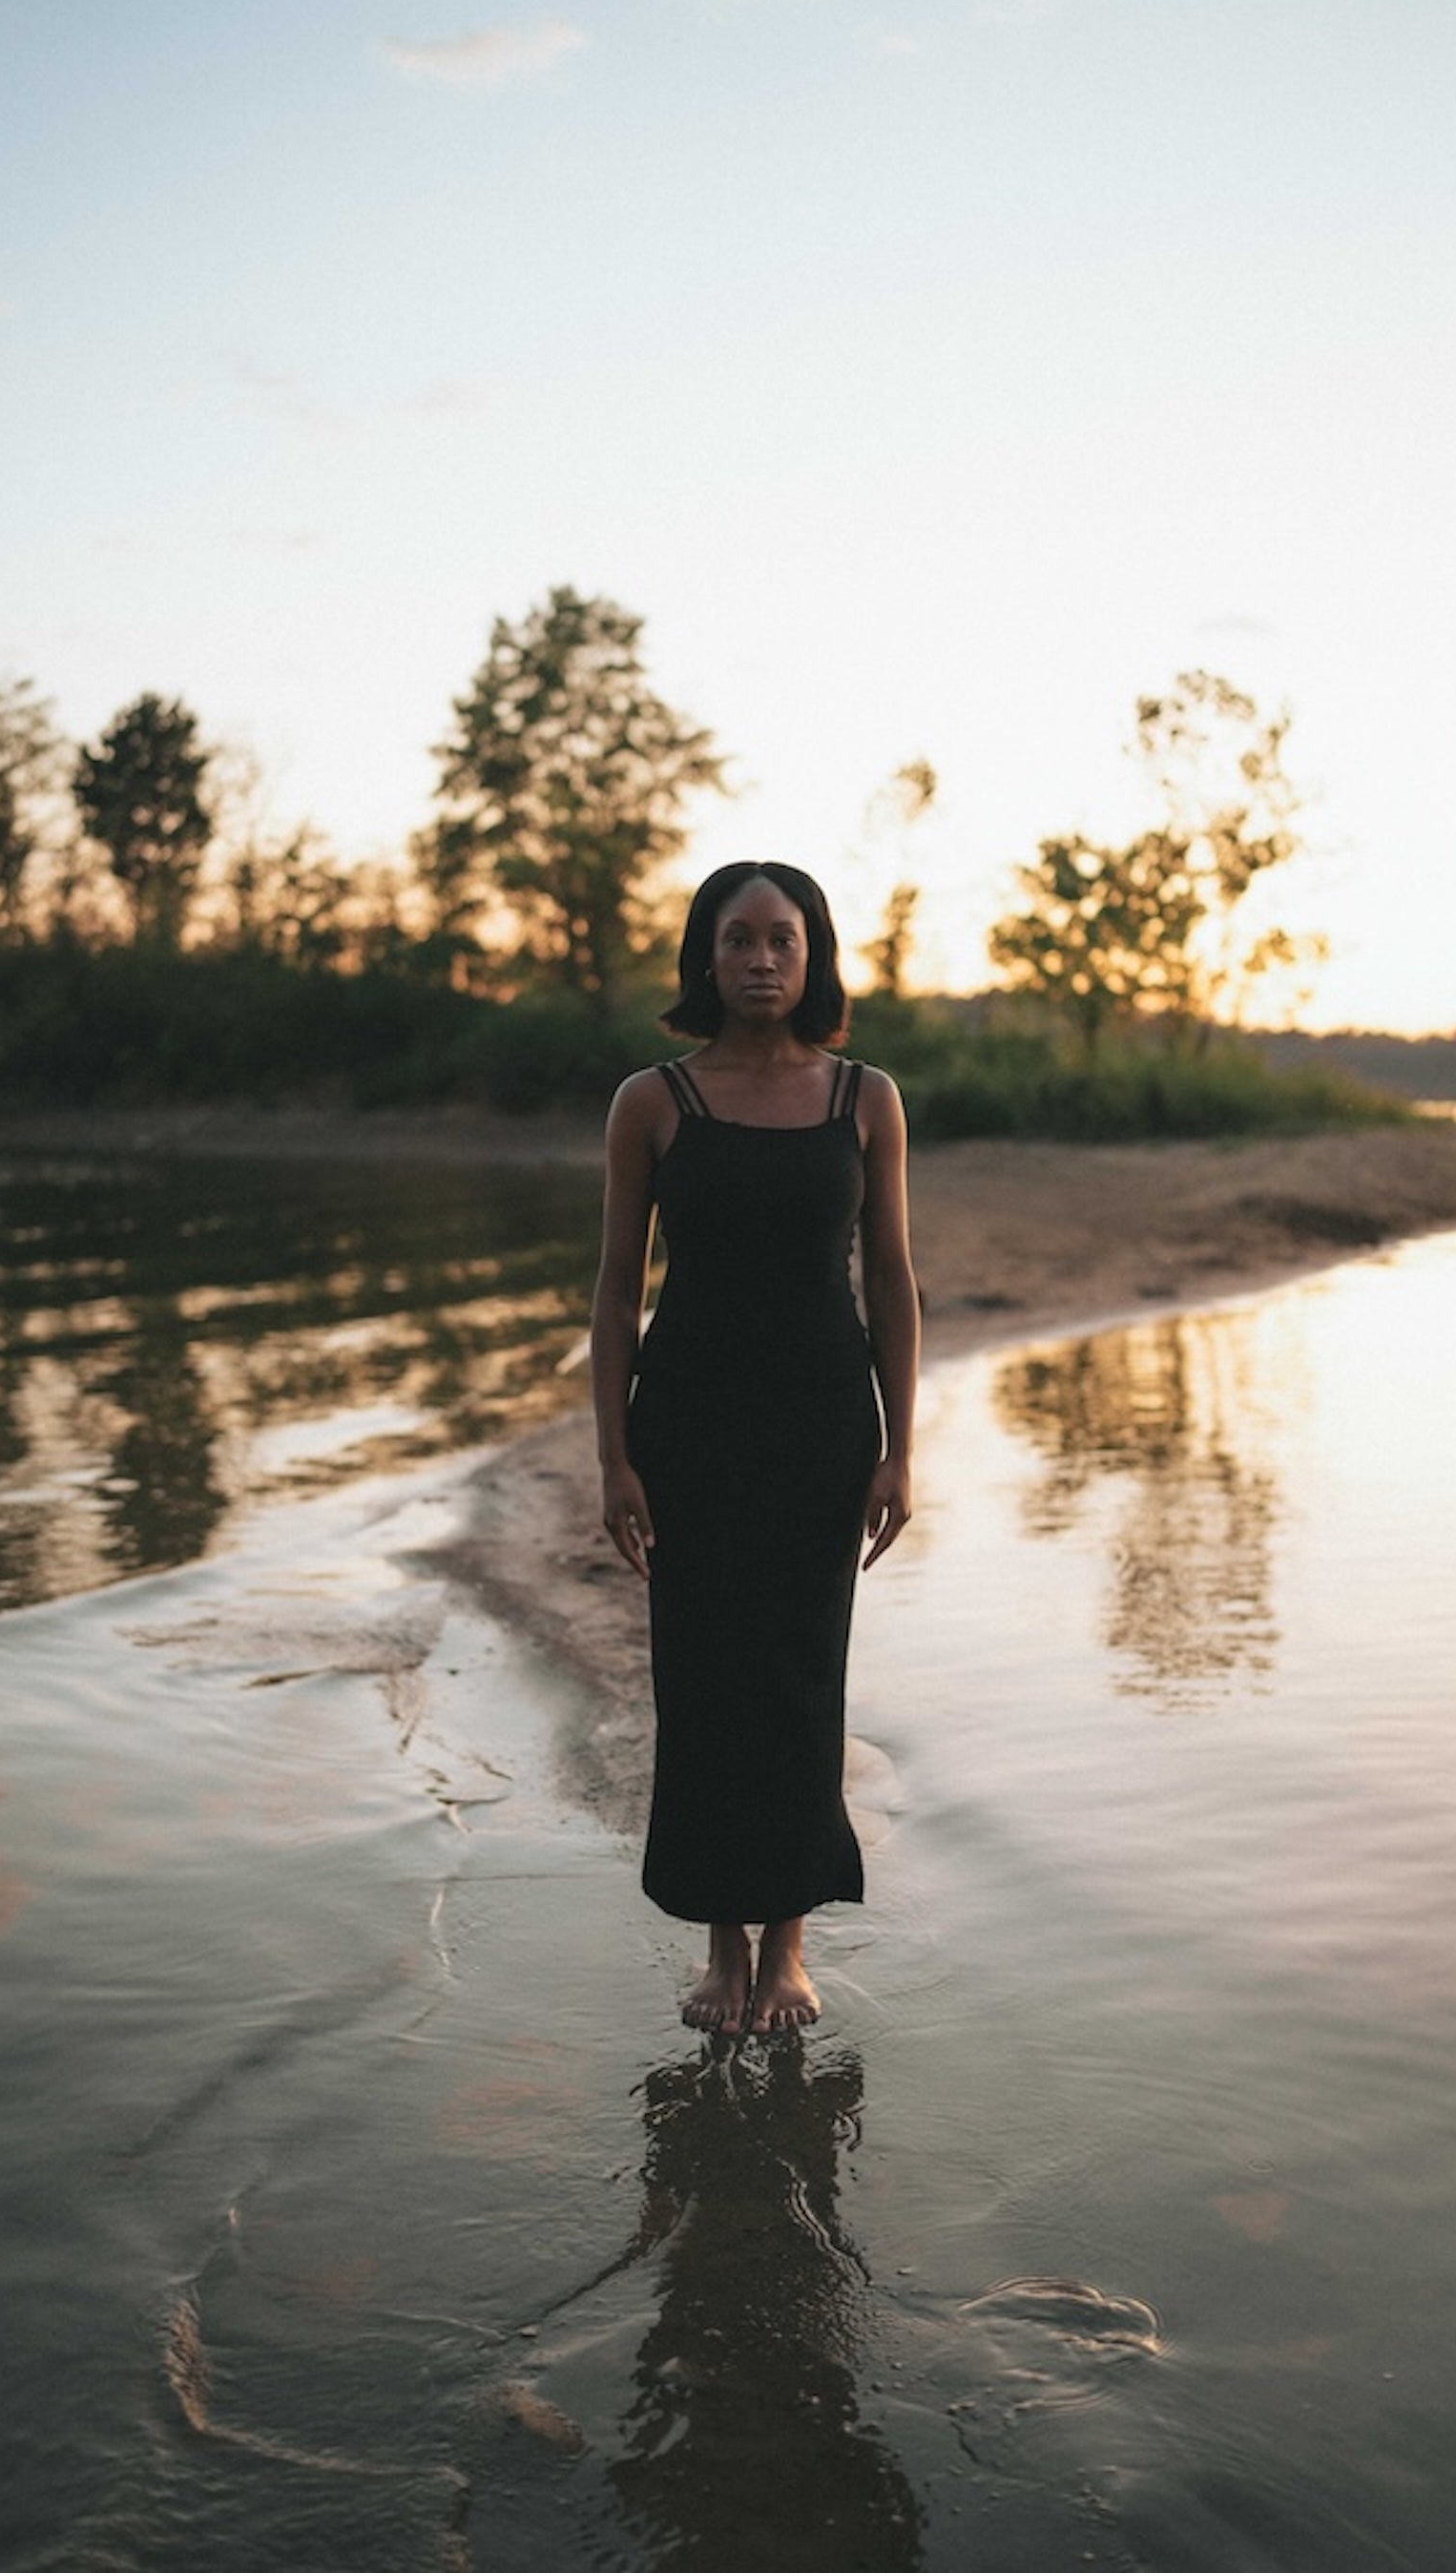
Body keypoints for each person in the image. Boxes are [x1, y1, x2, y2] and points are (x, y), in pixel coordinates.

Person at [590, 862, 920, 2038]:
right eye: (739, 939)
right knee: (702, 1680)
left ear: (813, 953)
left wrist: (901, 1449)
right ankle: (721, 1946)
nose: (762, 959)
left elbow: (892, 1280)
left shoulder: (864, 1099)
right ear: (707, 956)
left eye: (783, 938)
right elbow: (616, 1291)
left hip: (823, 1425)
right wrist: (613, 1458)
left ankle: (787, 1946)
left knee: (799, 1679)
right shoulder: (653, 1102)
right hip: (688, 1425)